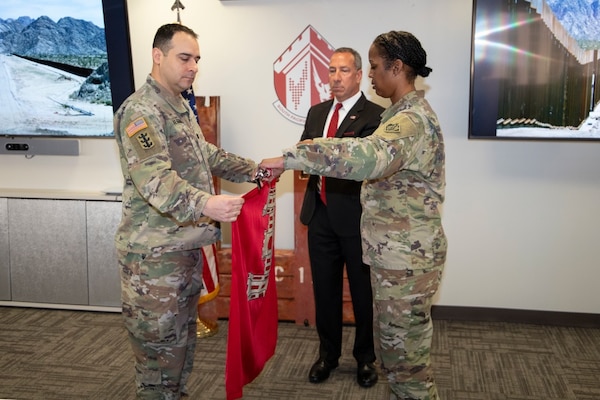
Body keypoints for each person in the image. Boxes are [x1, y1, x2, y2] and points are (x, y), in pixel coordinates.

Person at [260, 31, 447, 400]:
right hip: (395, 256)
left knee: (406, 369)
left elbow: (365, 157)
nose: (373, 75)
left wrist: (288, 158)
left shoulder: (407, 121)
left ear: (397, 67)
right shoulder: (401, 114)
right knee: (398, 361)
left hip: (405, 264)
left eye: (375, 67)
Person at [113, 23, 262, 399]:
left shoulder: (179, 105)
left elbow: (204, 155)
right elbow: (156, 181)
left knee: (179, 355)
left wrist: (254, 170)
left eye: (197, 59)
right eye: (184, 58)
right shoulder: (140, 112)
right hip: (154, 263)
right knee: (156, 362)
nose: (193, 66)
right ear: (157, 56)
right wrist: (208, 203)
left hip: (183, 252)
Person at [299, 47, 383, 388]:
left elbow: (356, 167)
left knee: (363, 293)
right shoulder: (317, 113)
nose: (335, 77)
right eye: (331, 70)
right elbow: (306, 154)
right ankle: (327, 355)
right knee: (326, 292)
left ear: (359, 75)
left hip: (356, 218)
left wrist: (318, 156)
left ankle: (365, 358)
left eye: (344, 70)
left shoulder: (375, 116)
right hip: (319, 215)